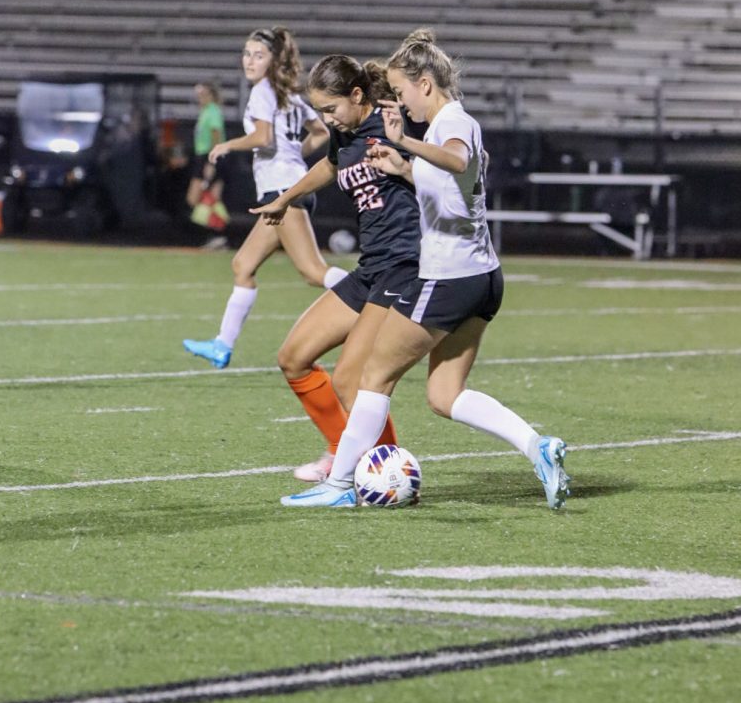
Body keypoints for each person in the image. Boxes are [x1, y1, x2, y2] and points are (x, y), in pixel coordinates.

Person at [281, 29, 571, 511]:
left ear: (426, 85)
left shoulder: (451, 122)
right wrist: (402, 166)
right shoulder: (445, 127)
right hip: (484, 277)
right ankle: (536, 446)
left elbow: (455, 156)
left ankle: (339, 486)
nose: (398, 102)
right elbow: (449, 183)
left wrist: (405, 146)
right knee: (444, 394)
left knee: (371, 378)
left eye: (401, 91)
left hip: (448, 276)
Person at [252, 54, 420, 482]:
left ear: (358, 94)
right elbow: (330, 165)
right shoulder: (343, 135)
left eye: (332, 108)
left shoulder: (392, 125)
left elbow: (439, 172)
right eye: (321, 111)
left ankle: (388, 470)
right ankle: (339, 448)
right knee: (293, 357)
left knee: (351, 380)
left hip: (403, 264)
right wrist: (285, 197)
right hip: (370, 268)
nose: (328, 119)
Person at [182, 27, 348, 371]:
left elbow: (263, 136)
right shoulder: (288, 94)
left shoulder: (263, 91)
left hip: (282, 191)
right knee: (243, 265)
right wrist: (294, 158)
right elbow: (320, 131)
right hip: (286, 186)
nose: (250, 60)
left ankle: (379, 303)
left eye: (258, 55)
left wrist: (228, 144)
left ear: (273, 61)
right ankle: (222, 345)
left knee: (312, 271)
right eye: (246, 53)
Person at [186, 81, 227, 250]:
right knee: (208, 199)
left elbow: (216, 135)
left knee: (199, 198)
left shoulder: (213, 112)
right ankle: (216, 236)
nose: (199, 98)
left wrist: (212, 161)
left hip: (209, 157)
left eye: (202, 95)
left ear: (210, 95)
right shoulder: (205, 112)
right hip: (203, 156)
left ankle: (216, 235)